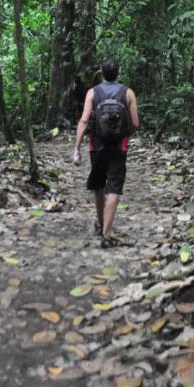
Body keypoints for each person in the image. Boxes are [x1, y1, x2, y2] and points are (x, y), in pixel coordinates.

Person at [72, 58, 139, 248]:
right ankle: (106, 234)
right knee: (115, 187)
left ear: (101, 72)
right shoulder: (128, 93)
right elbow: (135, 123)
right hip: (119, 146)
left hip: (97, 145)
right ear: (118, 73)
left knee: (99, 184)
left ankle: (101, 223)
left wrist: (77, 148)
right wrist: (124, 134)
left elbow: (84, 121)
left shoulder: (92, 93)